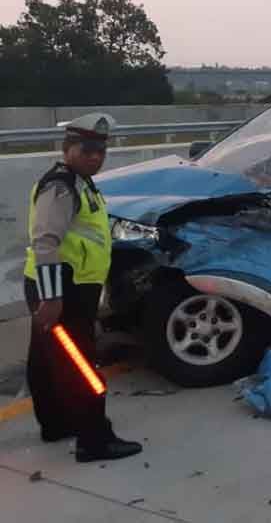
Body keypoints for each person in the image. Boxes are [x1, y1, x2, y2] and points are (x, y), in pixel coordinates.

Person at [23, 113, 143, 462]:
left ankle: (56, 424)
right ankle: (95, 440)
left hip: (67, 286)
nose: (95, 156)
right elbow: (45, 242)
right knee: (80, 363)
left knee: (46, 360)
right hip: (62, 289)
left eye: (100, 150)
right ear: (68, 148)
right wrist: (51, 296)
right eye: (87, 149)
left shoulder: (80, 181)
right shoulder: (61, 187)